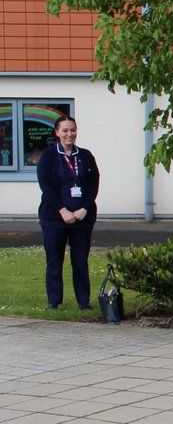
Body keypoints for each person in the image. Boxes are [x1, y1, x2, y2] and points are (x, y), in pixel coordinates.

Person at [36, 115, 100, 310]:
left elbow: (94, 183)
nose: (69, 134)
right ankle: (54, 302)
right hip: (54, 218)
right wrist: (62, 210)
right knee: (54, 261)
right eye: (65, 130)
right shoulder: (48, 156)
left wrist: (85, 208)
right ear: (57, 133)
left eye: (72, 130)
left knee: (80, 261)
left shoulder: (85, 156)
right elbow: (46, 185)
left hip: (82, 218)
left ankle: (83, 301)